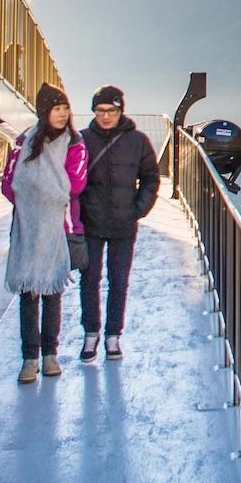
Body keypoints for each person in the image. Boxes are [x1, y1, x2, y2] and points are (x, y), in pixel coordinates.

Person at [2, 82, 87, 384]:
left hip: (58, 227)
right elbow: (9, 183)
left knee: (52, 293)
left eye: (65, 108)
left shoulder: (75, 143)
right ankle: (29, 359)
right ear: (44, 111)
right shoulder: (23, 140)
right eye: (56, 109)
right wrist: (36, 201)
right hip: (27, 227)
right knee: (28, 294)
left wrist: (36, 192)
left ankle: (50, 354)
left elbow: (75, 185)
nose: (62, 114)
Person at [79, 85, 160, 362]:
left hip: (124, 223)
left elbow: (151, 178)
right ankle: (91, 333)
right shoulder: (82, 140)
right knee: (89, 279)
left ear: (120, 111)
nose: (105, 116)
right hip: (90, 222)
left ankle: (113, 335)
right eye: (100, 111)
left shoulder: (138, 141)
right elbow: (72, 178)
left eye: (111, 111)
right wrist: (81, 211)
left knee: (119, 281)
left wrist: (137, 210)